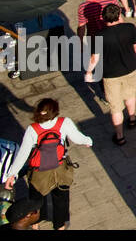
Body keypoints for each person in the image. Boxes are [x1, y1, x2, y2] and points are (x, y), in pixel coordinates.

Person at [1, 99, 93, 231]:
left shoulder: (32, 129)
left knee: (36, 200)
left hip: (39, 172)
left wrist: (12, 175)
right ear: (55, 111)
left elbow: (23, 154)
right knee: (61, 199)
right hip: (61, 169)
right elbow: (78, 138)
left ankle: (35, 224)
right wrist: (88, 141)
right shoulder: (64, 122)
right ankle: (60, 226)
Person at [84, 4, 136, 146]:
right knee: (130, 95)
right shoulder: (129, 28)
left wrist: (88, 72)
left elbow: (95, 58)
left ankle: (120, 136)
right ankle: (131, 118)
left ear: (103, 18)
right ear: (119, 15)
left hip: (110, 75)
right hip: (129, 69)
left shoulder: (100, 36)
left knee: (115, 107)